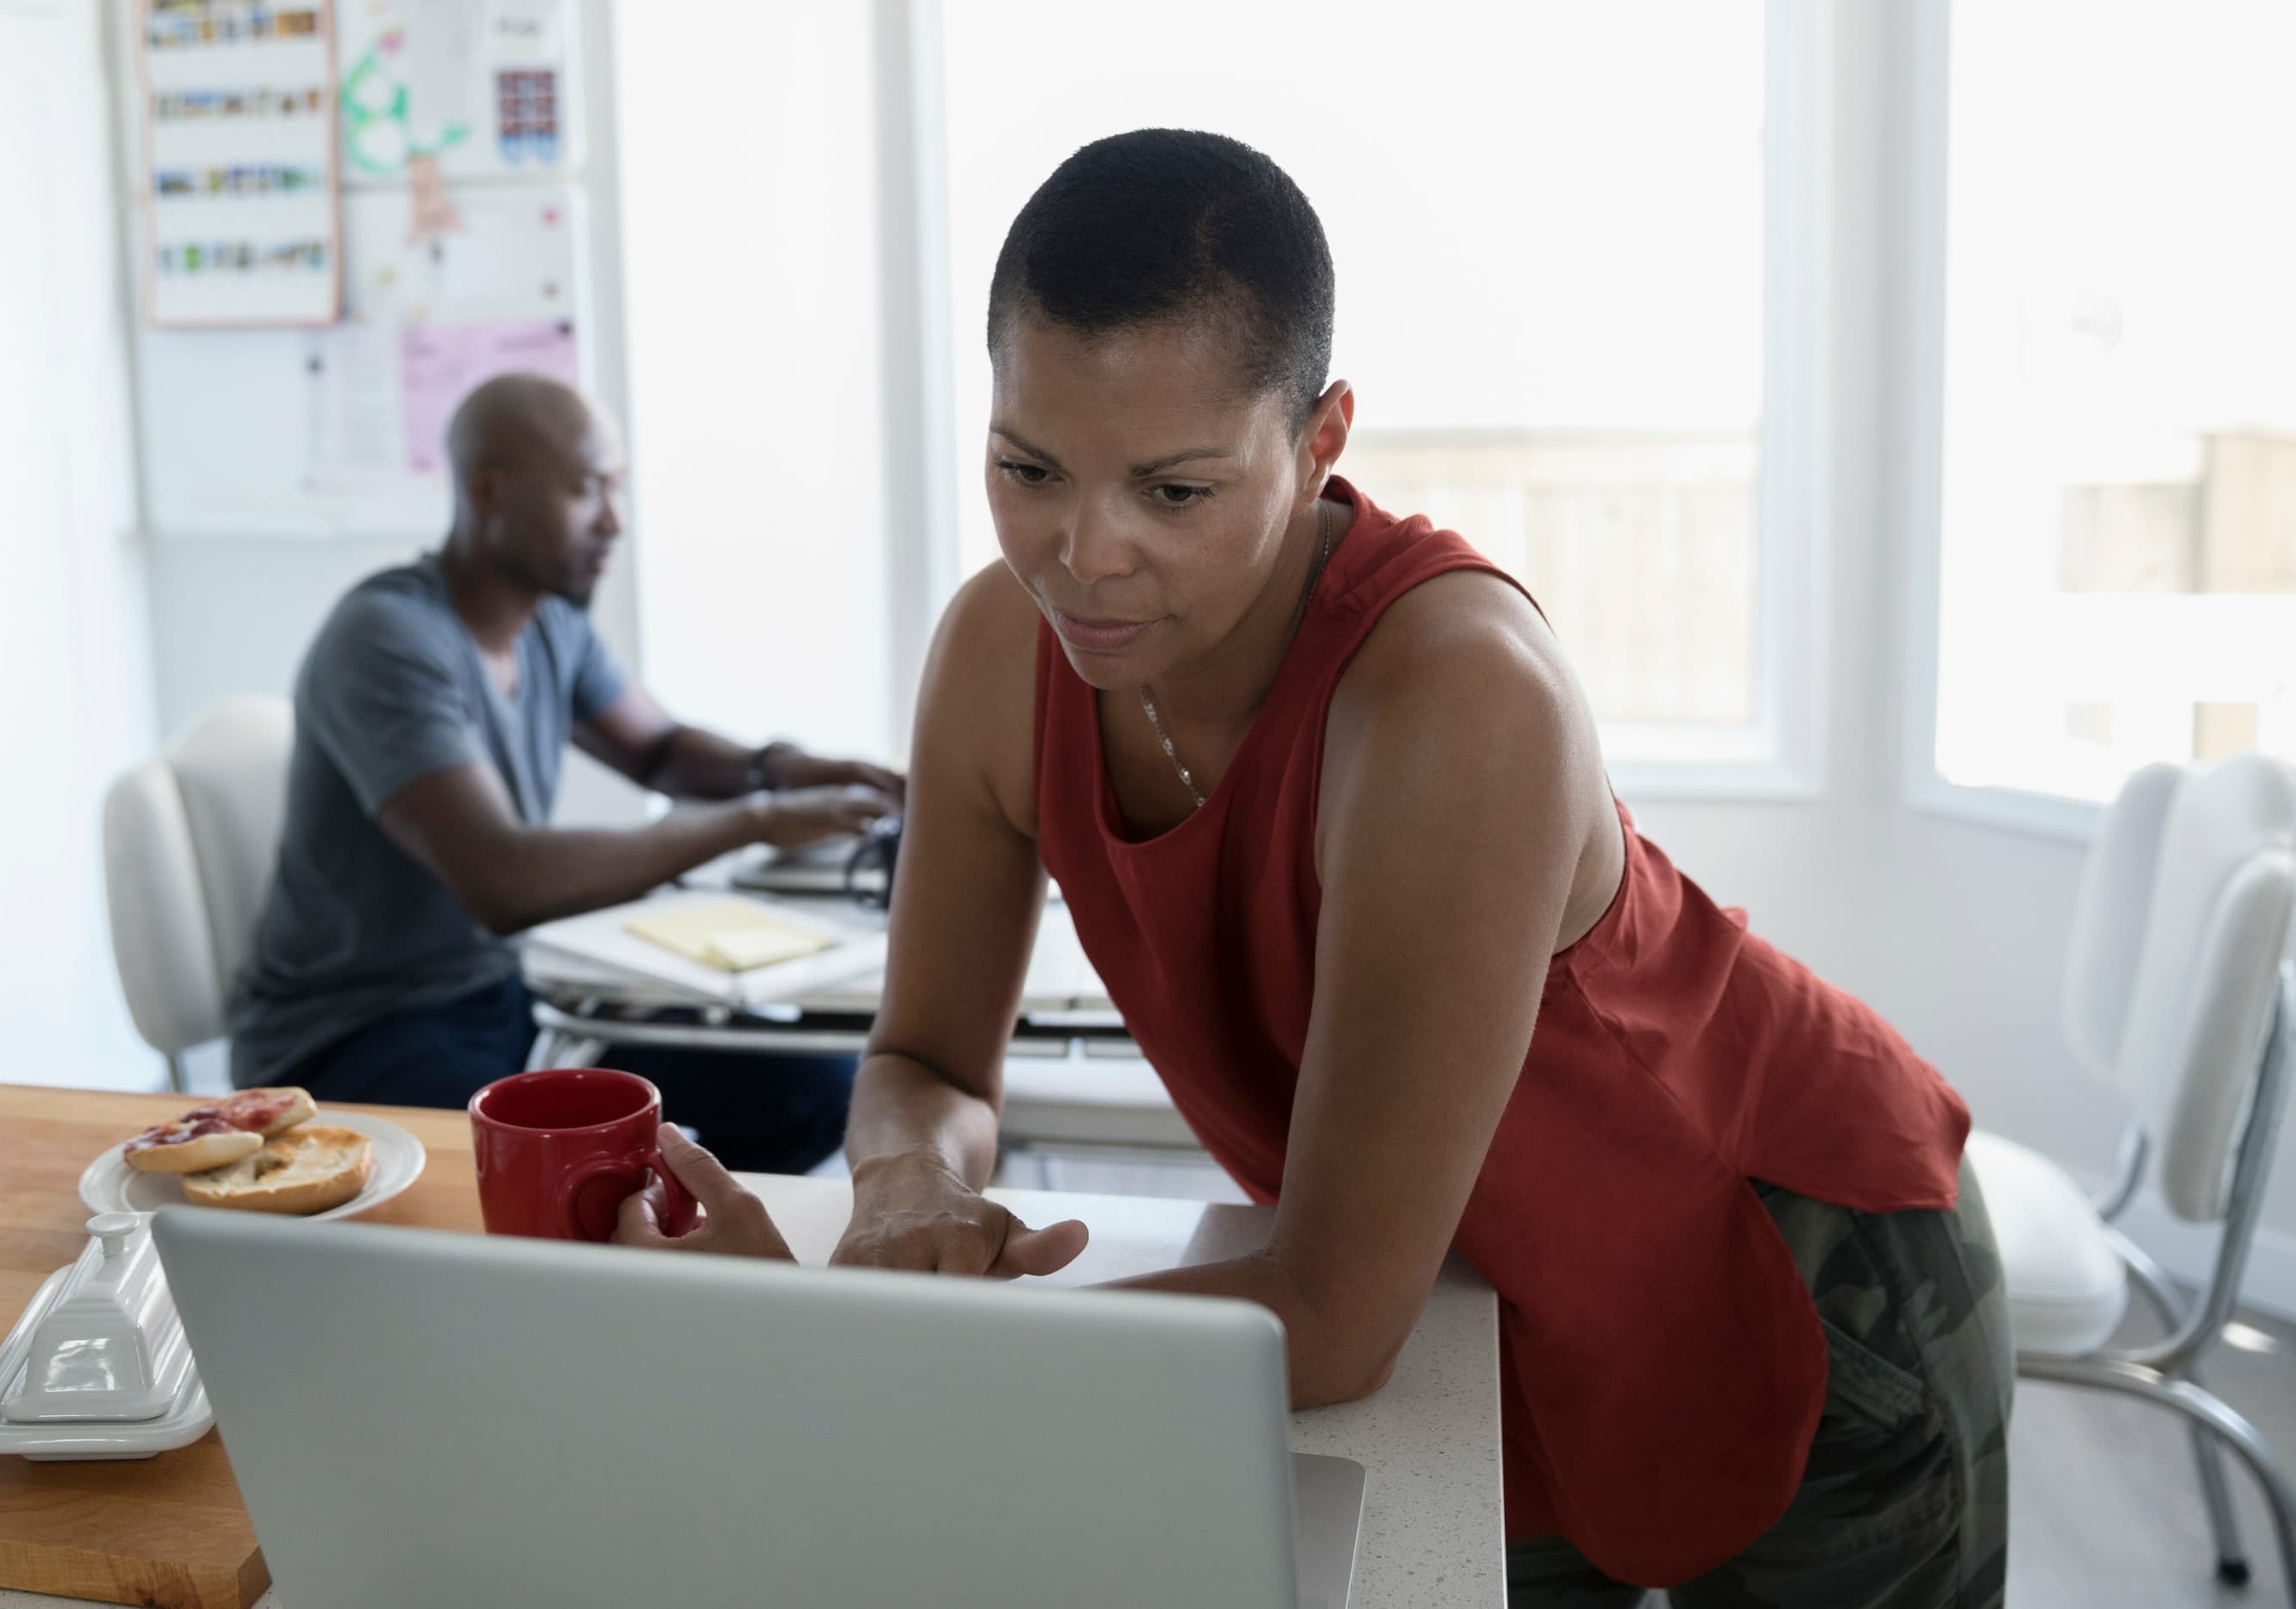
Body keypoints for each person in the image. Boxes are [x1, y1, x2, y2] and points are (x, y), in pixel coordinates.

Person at [613, 129, 2013, 1607]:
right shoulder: (994, 652)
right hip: (1463, 1298)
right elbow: (925, 1057)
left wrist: (878, 1358)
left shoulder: (1457, 696)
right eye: (1028, 467)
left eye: (1175, 491)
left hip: (1783, 1259)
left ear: (1322, 435)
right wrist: (903, 1187)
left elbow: (1333, 1315)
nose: (1083, 555)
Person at [225, 374, 901, 1174]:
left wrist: (781, 769)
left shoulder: (549, 622)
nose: (613, 521)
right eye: (585, 490)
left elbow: (657, 750)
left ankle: (675, 1269)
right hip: (355, 1034)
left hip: (501, 1000)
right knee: (590, 1172)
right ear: (489, 491)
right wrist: (755, 818)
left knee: (814, 1089)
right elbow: (504, 881)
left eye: (615, 488)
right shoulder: (386, 640)